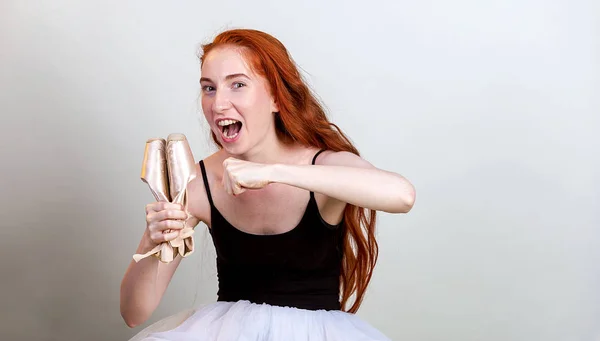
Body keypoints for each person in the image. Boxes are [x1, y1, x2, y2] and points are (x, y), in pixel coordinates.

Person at [120, 28, 416, 341]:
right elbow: (133, 313)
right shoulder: (197, 182)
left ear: (276, 97)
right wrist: (151, 242)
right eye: (209, 88)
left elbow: (402, 195)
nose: (219, 103)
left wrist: (275, 172)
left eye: (237, 85)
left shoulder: (323, 166)